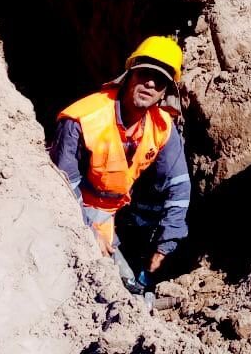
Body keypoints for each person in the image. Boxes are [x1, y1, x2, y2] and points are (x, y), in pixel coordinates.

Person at [49, 36, 190, 296]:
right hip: (78, 209)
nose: (150, 83)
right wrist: (88, 232)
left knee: (152, 218)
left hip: (119, 208)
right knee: (115, 285)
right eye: (145, 74)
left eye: (159, 81)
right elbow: (60, 191)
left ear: (165, 92)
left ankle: (140, 275)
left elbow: (179, 187)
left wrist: (164, 246)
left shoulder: (162, 127)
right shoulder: (82, 119)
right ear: (129, 74)